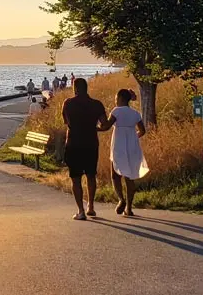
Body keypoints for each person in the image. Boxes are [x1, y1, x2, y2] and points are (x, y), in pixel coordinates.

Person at [61, 77, 109, 220]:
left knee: (75, 178)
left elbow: (66, 122)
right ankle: (91, 207)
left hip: (74, 144)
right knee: (91, 175)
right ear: (87, 88)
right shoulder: (97, 104)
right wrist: (95, 129)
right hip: (91, 143)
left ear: (75, 88)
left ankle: (80, 211)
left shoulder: (68, 104)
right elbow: (105, 125)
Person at [103, 89, 148, 217]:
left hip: (119, 145)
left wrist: (94, 127)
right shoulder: (135, 113)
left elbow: (106, 126)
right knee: (129, 176)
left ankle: (121, 199)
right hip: (132, 146)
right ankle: (129, 208)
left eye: (116, 98)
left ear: (121, 98)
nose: (115, 100)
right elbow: (142, 131)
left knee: (115, 175)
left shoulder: (116, 111)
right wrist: (133, 137)